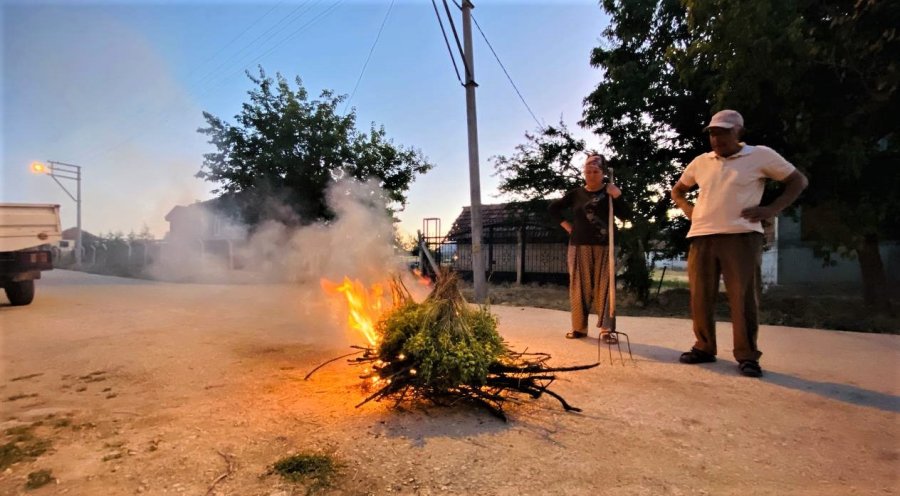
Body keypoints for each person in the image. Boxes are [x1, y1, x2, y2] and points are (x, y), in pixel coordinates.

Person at [671, 109, 808, 377]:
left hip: (741, 235)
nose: (716, 138)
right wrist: (687, 208)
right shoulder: (701, 161)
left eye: (722, 132)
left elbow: (798, 181)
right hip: (701, 235)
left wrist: (771, 209)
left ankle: (746, 355)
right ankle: (704, 347)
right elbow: (678, 190)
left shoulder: (760, 155)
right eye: (712, 133)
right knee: (700, 296)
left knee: (743, 297)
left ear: (739, 132)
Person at [549, 153, 628, 344]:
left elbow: (627, 215)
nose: (591, 175)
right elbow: (553, 208)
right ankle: (579, 328)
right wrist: (568, 227)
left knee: (605, 288)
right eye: (587, 171)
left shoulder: (610, 193)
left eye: (595, 171)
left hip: (605, 247)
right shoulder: (576, 194)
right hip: (579, 246)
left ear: (603, 173)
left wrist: (618, 196)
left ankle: (606, 329)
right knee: (579, 287)